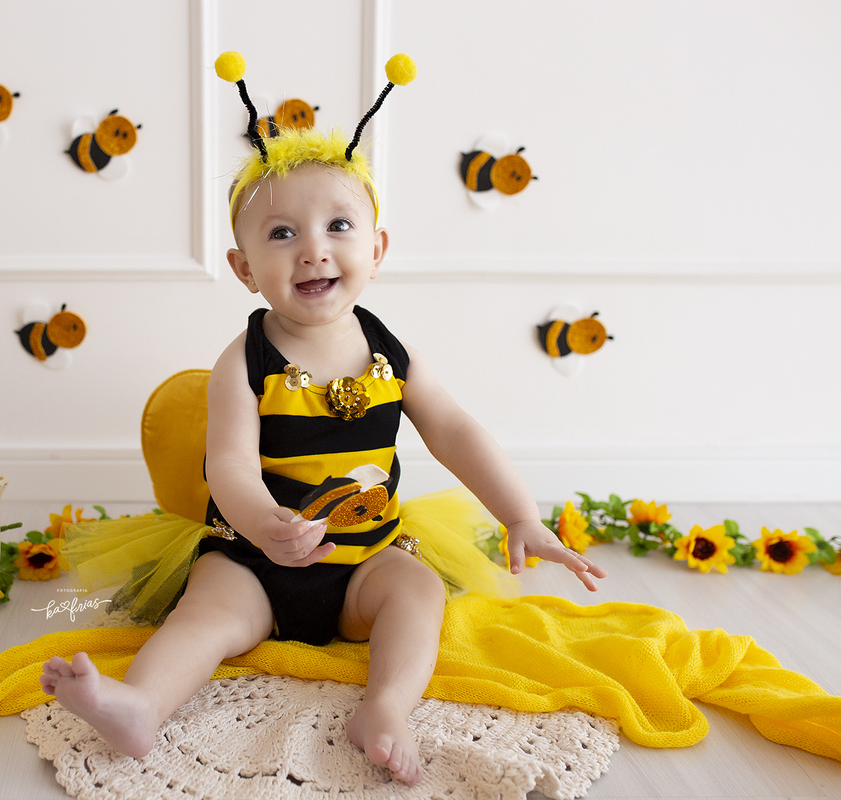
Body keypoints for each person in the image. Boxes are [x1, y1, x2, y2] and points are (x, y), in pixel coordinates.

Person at [42, 52, 607, 786]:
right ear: (244, 268)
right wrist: (264, 526)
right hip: (252, 558)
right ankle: (141, 705)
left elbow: (455, 430)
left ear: (375, 249)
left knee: (418, 593)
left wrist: (520, 514)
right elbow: (231, 467)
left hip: (363, 561)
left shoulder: (393, 354)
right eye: (280, 234)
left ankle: (387, 708)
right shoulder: (241, 361)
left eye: (338, 225)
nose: (313, 248)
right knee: (206, 613)